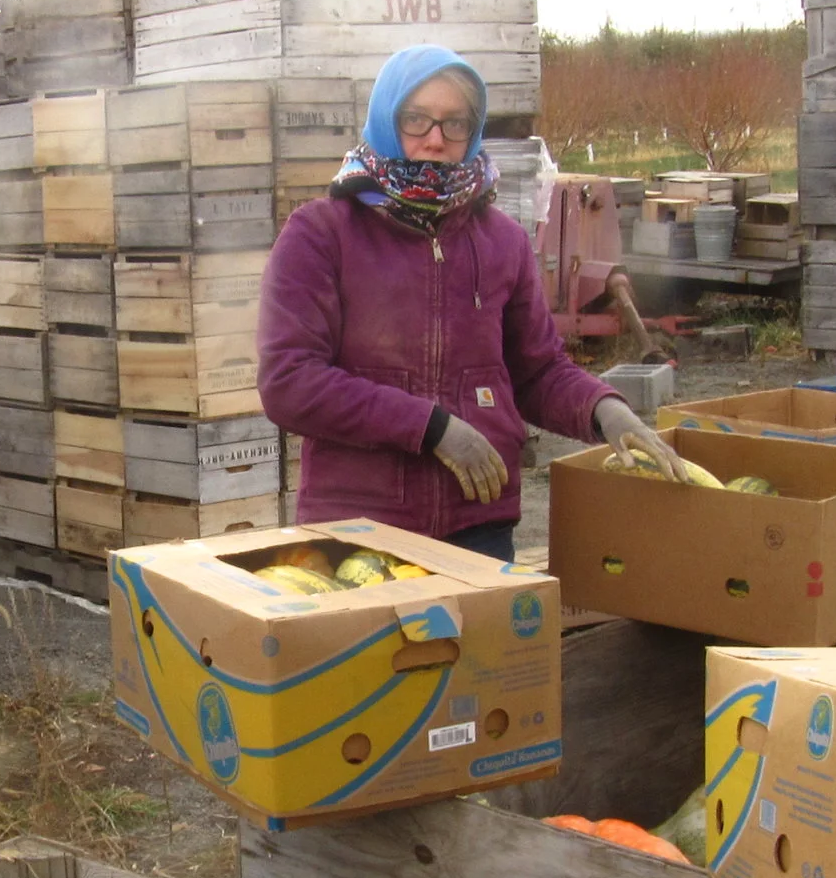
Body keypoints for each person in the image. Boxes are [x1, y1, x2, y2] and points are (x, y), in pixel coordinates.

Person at [256, 44, 677, 561]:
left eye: (455, 124)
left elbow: (538, 370)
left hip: (478, 524)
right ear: (387, 118)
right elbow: (290, 382)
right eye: (417, 120)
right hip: (358, 529)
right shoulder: (321, 234)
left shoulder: (502, 241)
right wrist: (431, 428)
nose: (435, 139)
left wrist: (605, 410)